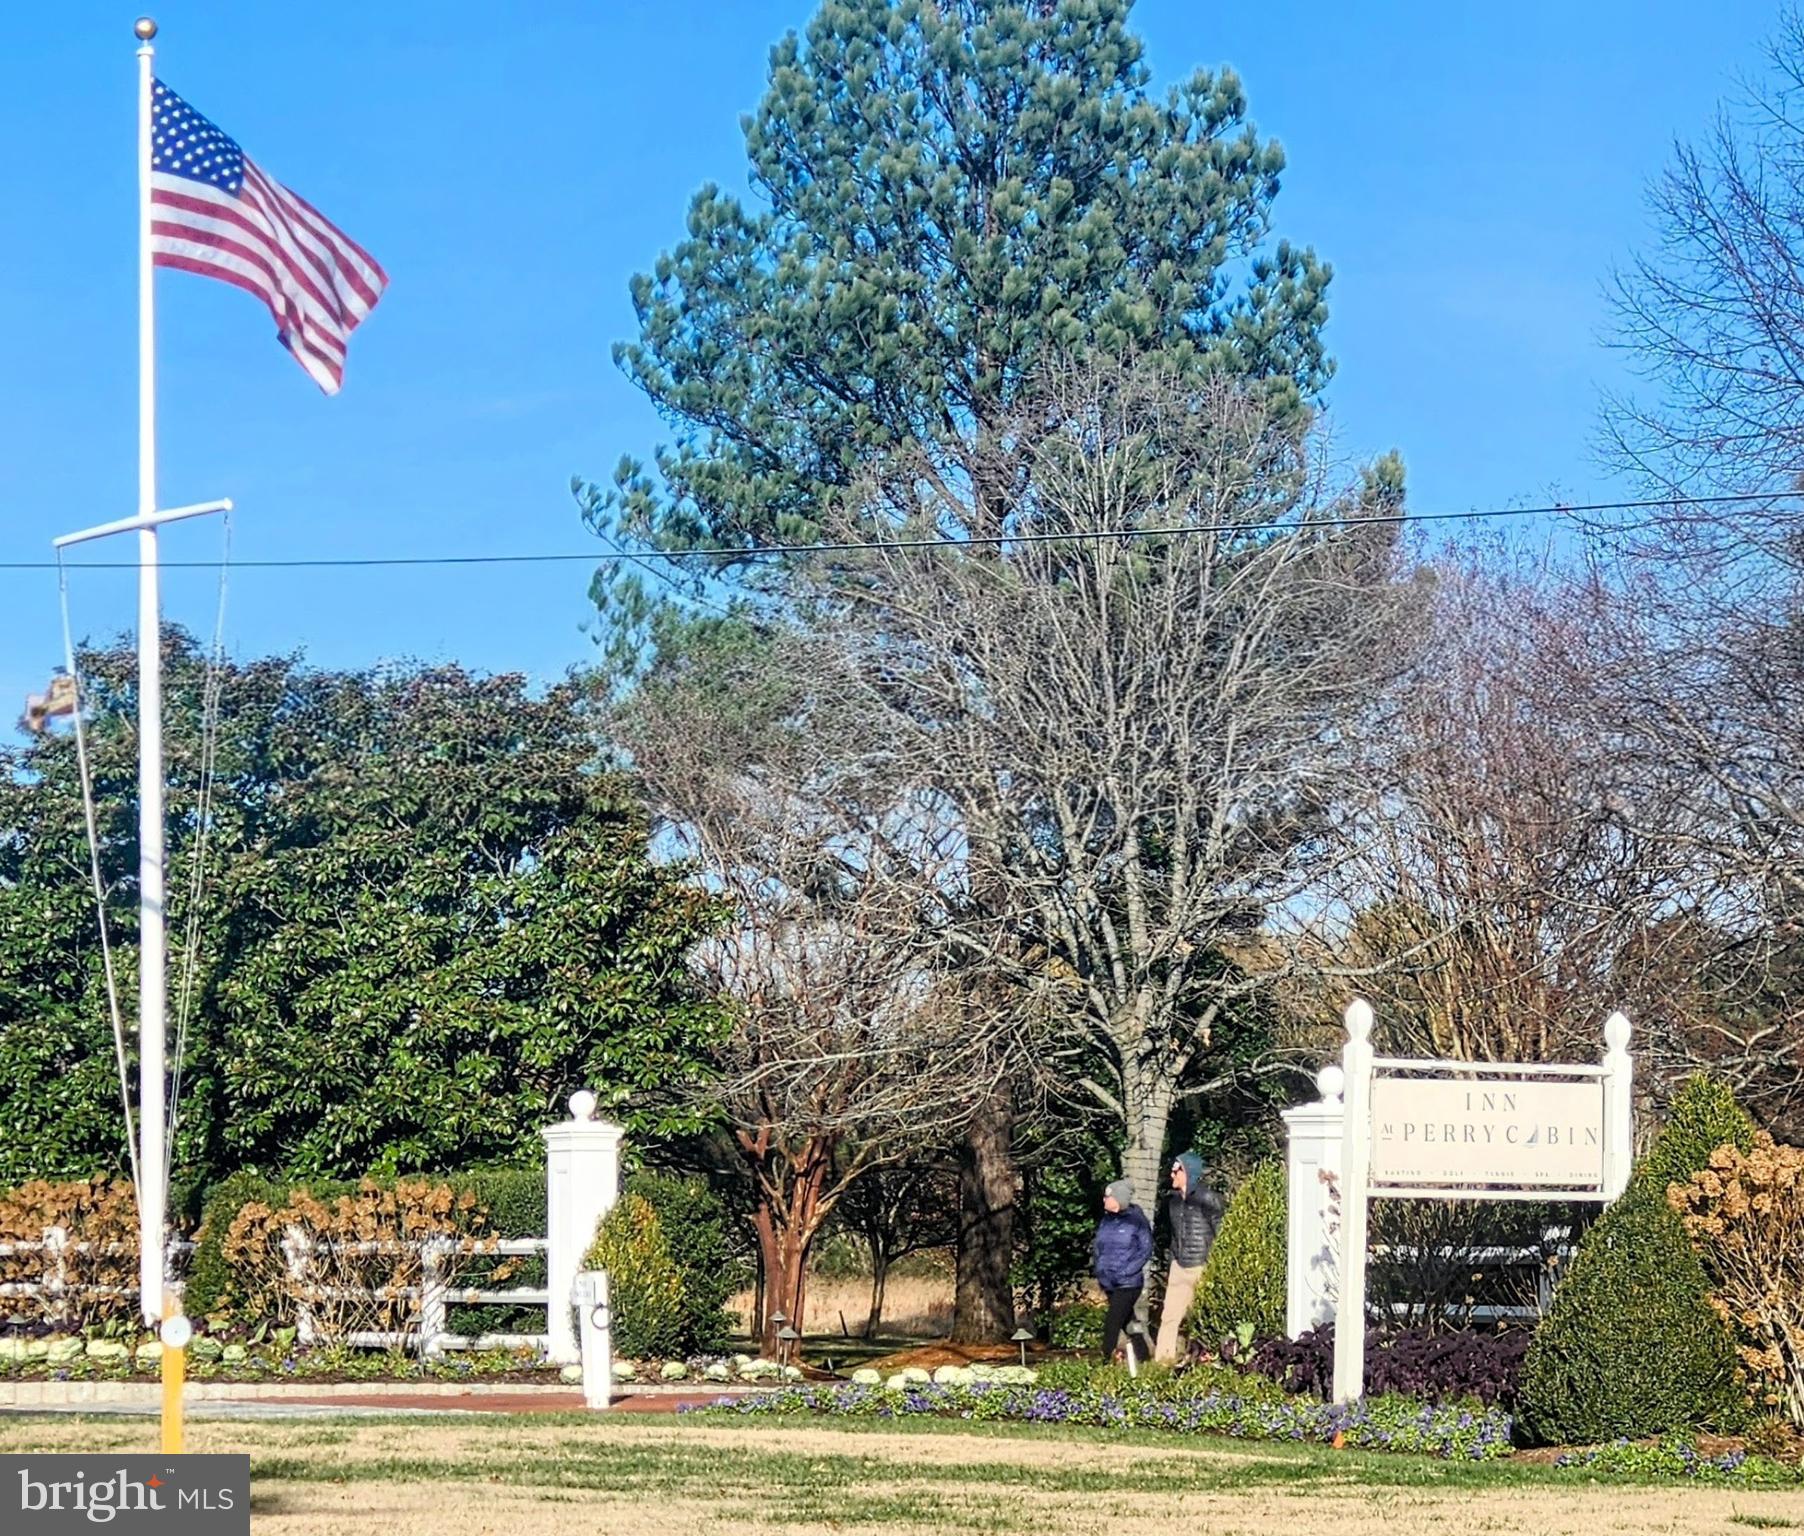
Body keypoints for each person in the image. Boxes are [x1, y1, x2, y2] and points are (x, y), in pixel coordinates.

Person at [1154, 1151, 1225, 1361]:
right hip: (1179, 1265)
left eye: (1176, 1170)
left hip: (1202, 1265)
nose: (1172, 1174)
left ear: (1188, 1172)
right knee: (1169, 1316)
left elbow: (1222, 1232)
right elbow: (1171, 1233)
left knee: (1202, 1318)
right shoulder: (1173, 1202)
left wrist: (1215, 1264)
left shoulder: (1208, 1198)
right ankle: (1162, 1363)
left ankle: (1203, 1360)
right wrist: (1173, 1258)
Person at [1091, 1177, 1153, 1364]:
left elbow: (1145, 1249)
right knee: (1128, 1322)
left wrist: (1127, 1271)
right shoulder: (1106, 1221)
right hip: (1108, 1281)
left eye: (1108, 1197)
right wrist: (1100, 1269)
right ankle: (1144, 1358)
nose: (1104, 1200)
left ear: (1119, 1199)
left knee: (1112, 1322)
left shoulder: (1136, 1221)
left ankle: (1103, 1361)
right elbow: (1098, 1247)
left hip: (1128, 1283)